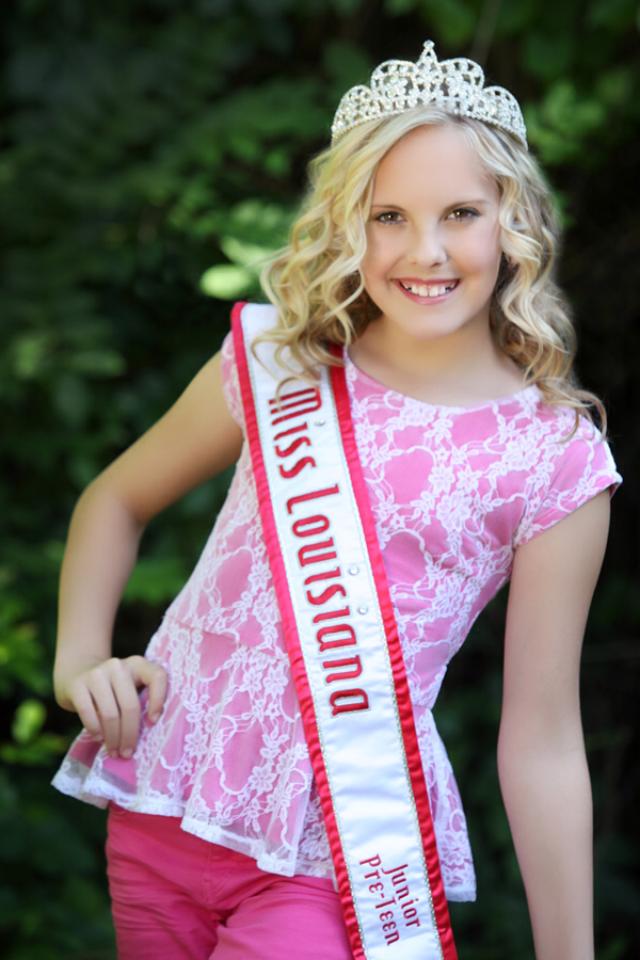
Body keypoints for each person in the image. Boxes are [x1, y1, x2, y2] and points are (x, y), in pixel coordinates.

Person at [51, 39, 622, 960]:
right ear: (345, 223)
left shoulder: (551, 456)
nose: (424, 251)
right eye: (388, 215)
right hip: (163, 802)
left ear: (515, 223)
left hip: (341, 857)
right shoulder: (279, 364)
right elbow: (114, 501)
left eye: (462, 214)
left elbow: (544, 736)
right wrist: (79, 661)